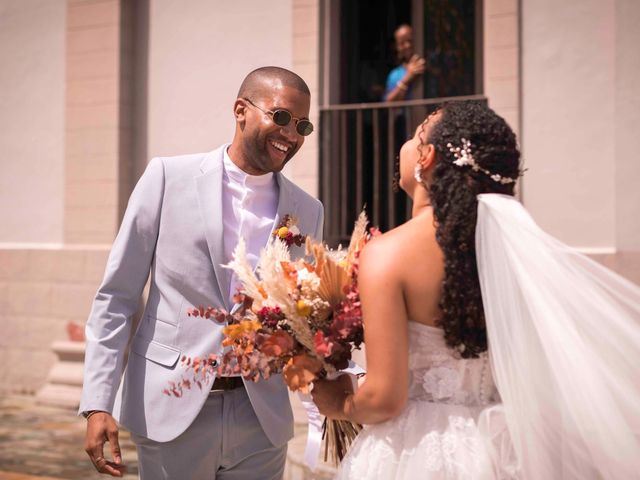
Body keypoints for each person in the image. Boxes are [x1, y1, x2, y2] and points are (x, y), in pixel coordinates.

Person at [311, 101, 640, 478]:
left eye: (416, 131)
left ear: (426, 157)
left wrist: (339, 403)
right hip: (502, 446)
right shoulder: (512, 253)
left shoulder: (389, 254)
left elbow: (385, 399)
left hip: (415, 452)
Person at [79, 66, 324, 479]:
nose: (292, 134)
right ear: (241, 110)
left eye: (303, 125)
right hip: (172, 411)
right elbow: (117, 296)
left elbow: (304, 317)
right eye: (281, 117)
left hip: (261, 418)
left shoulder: (307, 210)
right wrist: (98, 400)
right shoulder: (166, 178)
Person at [384, 24, 426, 102]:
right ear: (397, 47)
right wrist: (407, 78)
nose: (408, 45)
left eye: (410, 40)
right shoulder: (395, 74)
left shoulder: (429, 65)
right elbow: (388, 103)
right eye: (402, 43)